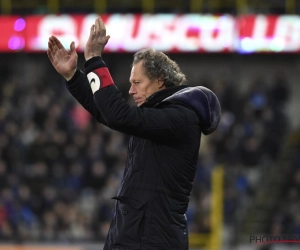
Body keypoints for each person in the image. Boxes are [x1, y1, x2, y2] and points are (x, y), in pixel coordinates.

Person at [47, 17, 221, 250]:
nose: (131, 90)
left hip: (153, 239)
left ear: (160, 81)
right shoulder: (160, 116)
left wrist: (95, 62)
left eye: (137, 82)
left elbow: (118, 115)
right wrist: (73, 77)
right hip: (137, 233)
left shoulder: (181, 118)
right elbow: (107, 113)